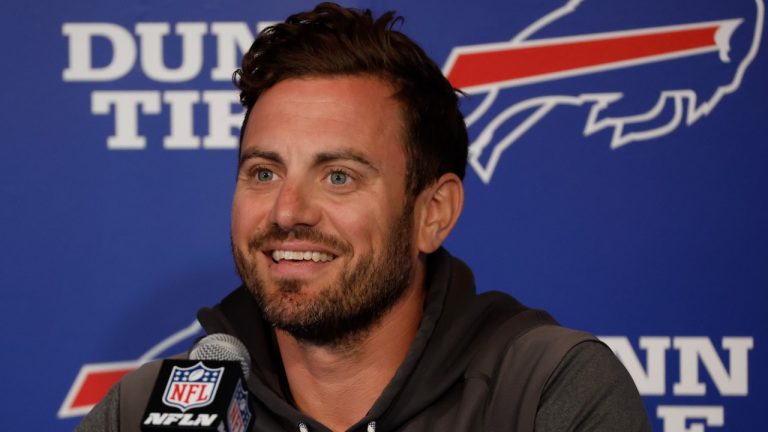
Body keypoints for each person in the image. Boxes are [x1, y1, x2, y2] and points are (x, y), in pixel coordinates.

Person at [78, 3, 650, 431]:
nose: (287, 211)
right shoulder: (150, 410)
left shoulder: (543, 392)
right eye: (263, 172)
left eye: (338, 177)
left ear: (433, 213)